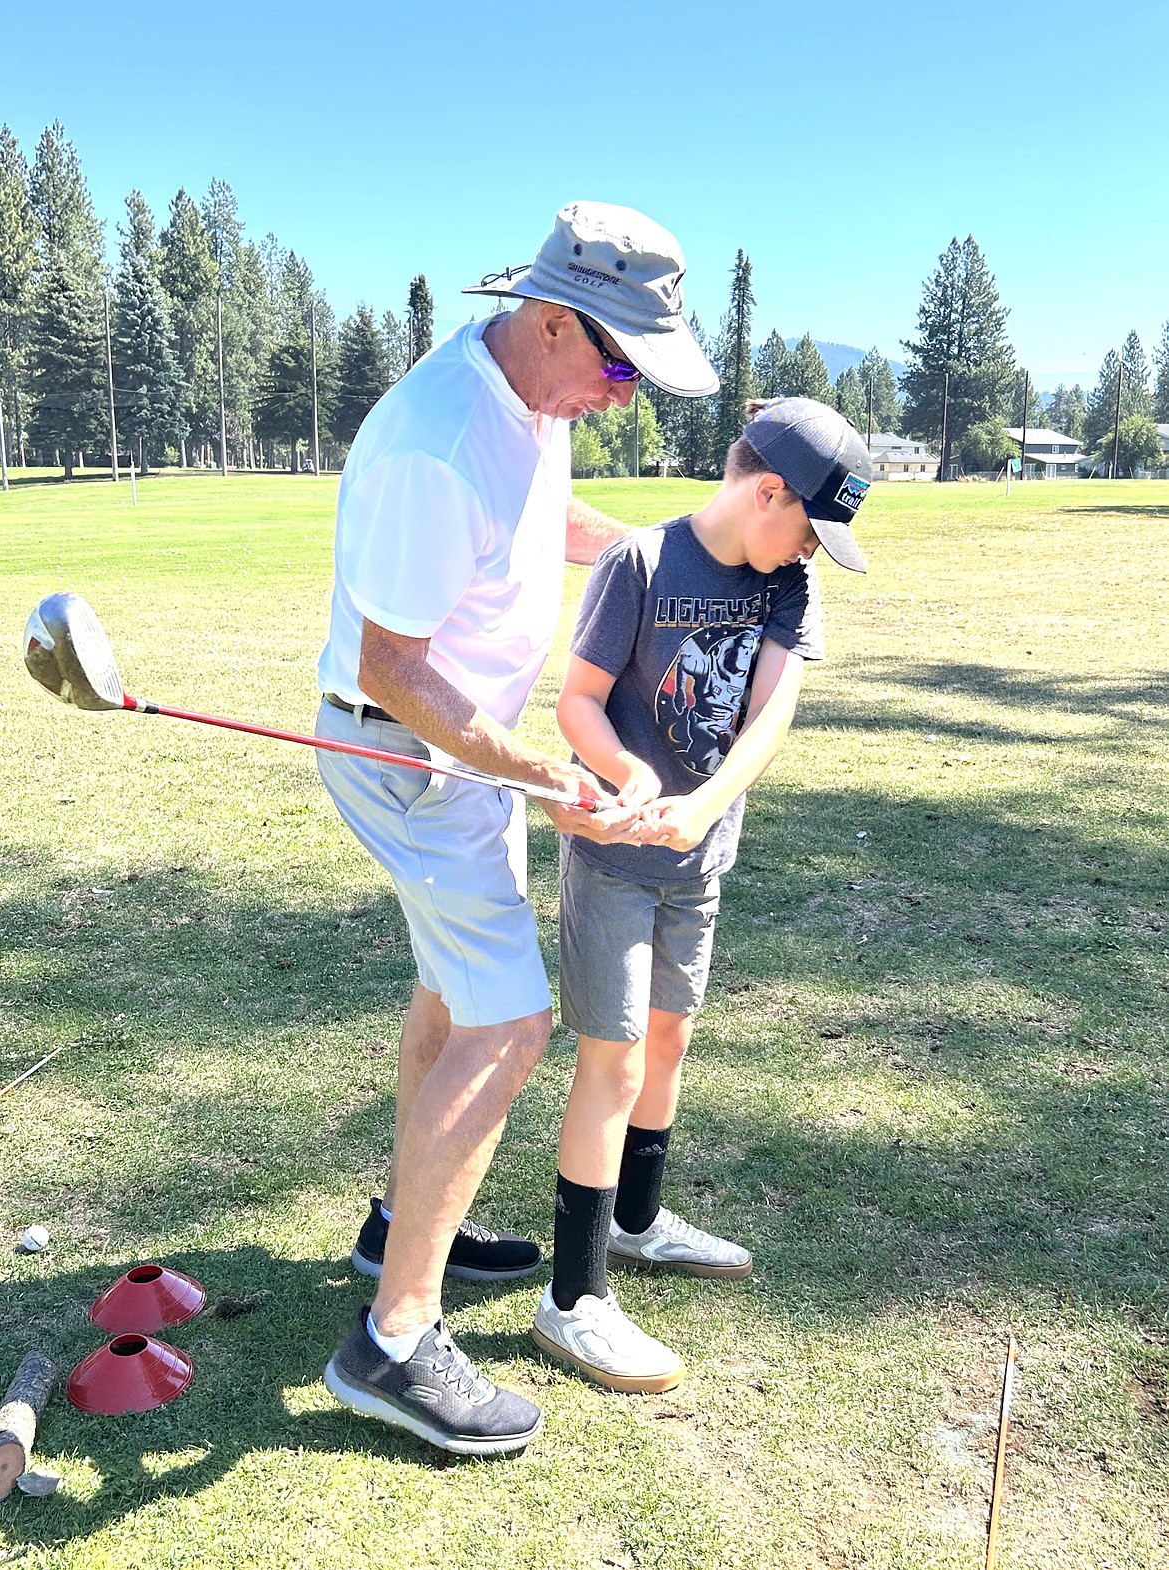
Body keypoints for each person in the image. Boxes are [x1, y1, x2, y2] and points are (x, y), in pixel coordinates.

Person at [314, 201, 717, 1454]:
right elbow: (392, 668)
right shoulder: (440, 444)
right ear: (552, 319)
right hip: (410, 760)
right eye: (615, 364)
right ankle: (391, 1339)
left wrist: (682, 556)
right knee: (510, 1022)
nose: (621, 395)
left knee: (452, 993)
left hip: (462, 762)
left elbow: (558, 533)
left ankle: (401, 1221)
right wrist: (537, 768)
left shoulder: (532, 400)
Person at [531, 397, 874, 1392]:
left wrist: (704, 803)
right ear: (766, 490)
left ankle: (635, 1222)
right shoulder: (638, 565)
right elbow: (579, 701)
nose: (809, 548)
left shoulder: (788, 580)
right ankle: (574, 1299)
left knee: (669, 1041)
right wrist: (627, 775)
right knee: (614, 1058)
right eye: (807, 524)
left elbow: (771, 714)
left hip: (701, 859)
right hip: (614, 862)